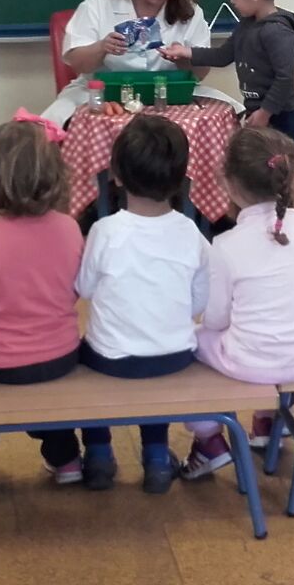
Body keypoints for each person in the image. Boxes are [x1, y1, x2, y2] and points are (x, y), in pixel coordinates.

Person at [182, 127, 294, 478]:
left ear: (229, 184)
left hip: (253, 362)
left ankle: (208, 438)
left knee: (184, 343)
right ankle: (267, 422)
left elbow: (216, 321)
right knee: (266, 330)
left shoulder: (226, 245)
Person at [75, 115, 209, 493]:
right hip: (175, 356)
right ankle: (156, 455)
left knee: (83, 357)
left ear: (116, 176)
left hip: (110, 360)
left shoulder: (104, 231)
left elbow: (84, 288)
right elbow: (201, 297)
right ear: (182, 177)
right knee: (155, 361)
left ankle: (98, 452)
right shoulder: (191, 232)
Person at [0, 119, 89, 487]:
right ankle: (66, 459)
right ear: (56, 175)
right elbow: (75, 289)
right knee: (48, 393)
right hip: (62, 356)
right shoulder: (70, 228)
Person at [42, 0, 234, 126]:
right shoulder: (99, 5)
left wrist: (184, 58)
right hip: (105, 92)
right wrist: (102, 47)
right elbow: (77, 63)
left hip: (169, 92)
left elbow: (199, 74)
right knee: (54, 118)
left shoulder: (190, 12)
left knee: (234, 109)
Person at [163, 0, 294, 145]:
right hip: (258, 112)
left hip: (282, 116)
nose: (232, 1)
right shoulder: (246, 25)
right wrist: (185, 52)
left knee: (279, 164)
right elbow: (223, 56)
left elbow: (285, 78)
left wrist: (265, 112)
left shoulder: (277, 32)